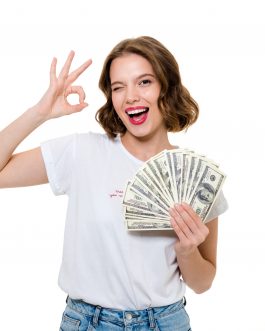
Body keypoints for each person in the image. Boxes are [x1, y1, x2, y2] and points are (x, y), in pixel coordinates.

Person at [0, 36, 228, 330]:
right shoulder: (81, 152)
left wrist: (186, 251)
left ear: (166, 88)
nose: (130, 96)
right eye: (118, 87)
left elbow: (204, 283)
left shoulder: (196, 178)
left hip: (165, 322)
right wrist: (40, 113)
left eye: (144, 82)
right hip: (86, 322)